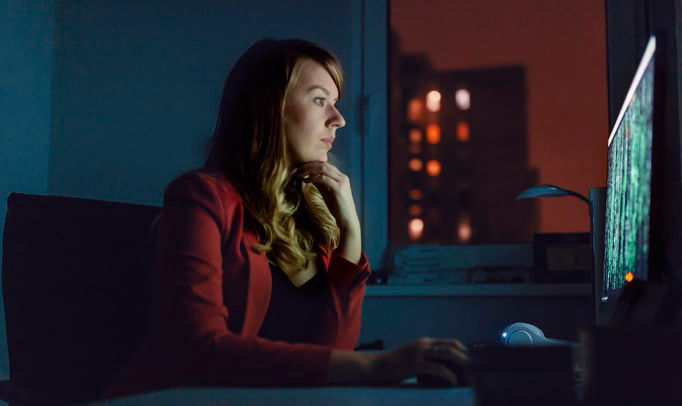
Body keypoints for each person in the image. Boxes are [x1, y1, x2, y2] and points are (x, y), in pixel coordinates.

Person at [103, 38, 467, 398]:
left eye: (335, 104)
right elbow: (197, 349)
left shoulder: (311, 219)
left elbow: (333, 353)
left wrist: (350, 235)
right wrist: (377, 365)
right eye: (320, 100)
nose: (338, 120)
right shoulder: (201, 197)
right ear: (270, 108)